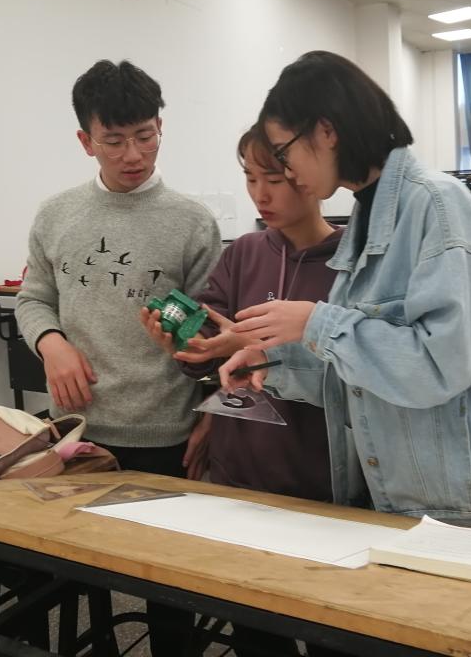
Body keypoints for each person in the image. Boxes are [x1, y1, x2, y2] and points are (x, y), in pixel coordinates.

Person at [219, 50, 471, 535]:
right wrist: (274, 367)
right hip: (409, 504)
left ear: (325, 132)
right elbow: (370, 375)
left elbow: (440, 366)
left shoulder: (437, 205)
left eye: (284, 152)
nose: (287, 172)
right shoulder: (369, 216)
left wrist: (316, 322)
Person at [16, 59, 220, 654]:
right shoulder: (56, 215)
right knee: (80, 575)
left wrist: (212, 416)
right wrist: (51, 343)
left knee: (169, 591)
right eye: (114, 141)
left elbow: (214, 334)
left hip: (166, 433)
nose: (134, 154)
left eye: (145, 136)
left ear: (160, 128)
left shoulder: (192, 223)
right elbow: (33, 298)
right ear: (86, 141)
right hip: (81, 433)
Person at [141, 124, 344, 657]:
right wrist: (187, 349)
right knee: (255, 631)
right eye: (250, 179)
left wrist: (257, 347)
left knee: (333, 628)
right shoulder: (243, 253)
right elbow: (212, 354)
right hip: (240, 477)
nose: (260, 194)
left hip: (320, 480)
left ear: (311, 176)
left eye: (273, 179)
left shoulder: (350, 263)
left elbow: (358, 370)